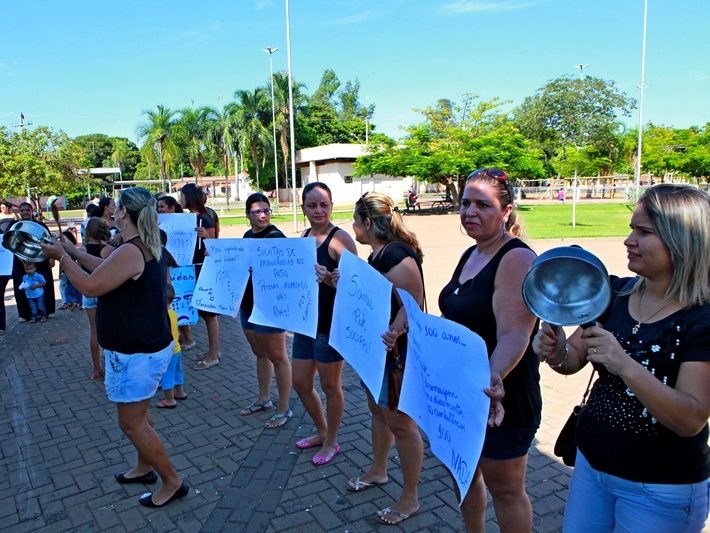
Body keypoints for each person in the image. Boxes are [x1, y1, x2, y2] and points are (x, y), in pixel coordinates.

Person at [533, 184, 710, 533]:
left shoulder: (700, 318)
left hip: (659, 488)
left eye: (643, 232)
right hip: (591, 467)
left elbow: (690, 419)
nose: (629, 240)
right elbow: (572, 361)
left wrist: (626, 365)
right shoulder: (616, 292)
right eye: (631, 229)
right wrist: (556, 352)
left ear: (682, 240)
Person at [41, 187, 188, 508]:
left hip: (137, 352)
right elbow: (103, 267)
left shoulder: (131, 250)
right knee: (141, 415)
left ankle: (172, 481)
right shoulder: (141, 244)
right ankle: (145, 466)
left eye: (117, 206)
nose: (113, 210)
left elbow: (91, 284)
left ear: (123, 213)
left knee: (131, 422)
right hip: (146, 346)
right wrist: (72, 250)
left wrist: (63, 258)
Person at [438, 168, 539, 532]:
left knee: (506, 489)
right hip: (464, 390)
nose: (470, 212)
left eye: (483, 204)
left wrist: (493, 377)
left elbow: (515, 333)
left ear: (507, 210)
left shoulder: (516, 258)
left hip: (501, 394)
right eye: (465, 203)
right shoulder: (471, 252)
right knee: (463, 475)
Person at [347, 191, 425, 526]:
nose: (352, 226)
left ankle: (411, 497)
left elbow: (415, 302)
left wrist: (395, 330)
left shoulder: (395, 254)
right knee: (377, 412)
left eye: (355, 219)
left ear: (368, 222)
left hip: (397, 357)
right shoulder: (377, 255)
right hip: (375, 354)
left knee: (402, 425)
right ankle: (379, 470)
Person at [292, 183, 358, 465]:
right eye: (312, 205)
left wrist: (330, 277)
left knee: (331, 386)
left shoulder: (339, 238)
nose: (318, 210)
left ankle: (332, 441)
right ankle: (321, 431)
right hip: (305, 323)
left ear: (331, 206)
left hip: (329, 326)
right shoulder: (304, 237)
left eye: (324, 205)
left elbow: (357, 286)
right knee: (300, 384)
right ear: (303, 207)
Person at [239, 192, 293, 429]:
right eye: (257, 211)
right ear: (248, 215)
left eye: (266, 210)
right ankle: (264, 400)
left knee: (278, 357)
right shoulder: (247, 236)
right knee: (260, 353)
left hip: (269, 307)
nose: (262, 215)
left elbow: (284, 271)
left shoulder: (276, 236)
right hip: (248, 305)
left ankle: (284, 408)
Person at [179, 183, 220, 366]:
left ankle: (214, 355)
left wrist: (207, 237)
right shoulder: (189, 219)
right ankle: (213, 350)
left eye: (182, 196)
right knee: (204, 313)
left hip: (204, 269)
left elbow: (215, 247)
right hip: (193, 269)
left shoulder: (205, 218)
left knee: (209, 314)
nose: (180, 199)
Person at [76, 217, 113, 380]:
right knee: (111, 329)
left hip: (90, 292)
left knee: (94, 331)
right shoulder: (109, 250)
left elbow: (78, 271)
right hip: (106, 291)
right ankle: (112, 365)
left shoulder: (82, 251)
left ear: (88, 232)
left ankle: (96, 369)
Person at [156, 196, 193, 350]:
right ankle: (179, 338)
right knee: (174, 312)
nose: (159, 209)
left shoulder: (185, 223)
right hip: (172, 274)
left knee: (176, 310)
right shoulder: (159, 223)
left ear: (172, 208)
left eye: (162, 206)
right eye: (158, 207)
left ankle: (184, 339)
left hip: (180, 272)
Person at [12, 202, 56, 321]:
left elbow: (49, 241)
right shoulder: (15, 225)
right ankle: (25, 314)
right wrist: (22, 259)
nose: (25, 212)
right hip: (20, 259)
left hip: (40, 258)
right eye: (22, 210)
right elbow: (10, 243)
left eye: (27, 210)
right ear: (19, 212)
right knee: (21, 285)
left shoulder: (40, 225)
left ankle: (48, 310)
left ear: (32, 211)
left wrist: (52, 258)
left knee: (44, 281)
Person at [157, 283, 187, 408]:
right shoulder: (173, 312)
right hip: (176, 349)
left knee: (167, 375)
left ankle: (170, 400)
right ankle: (180, 392)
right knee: (177, 372)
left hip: (167, 350)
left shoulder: (162, 316)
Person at [58, 231, 83, 311]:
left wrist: (61, 271)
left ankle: (67, 302)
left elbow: (62, 262)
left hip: (66, 270)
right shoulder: (72, 249)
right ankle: (78, 302)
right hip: (72, 270)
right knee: (75, 287)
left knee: (64, 286)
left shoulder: (65, 250)